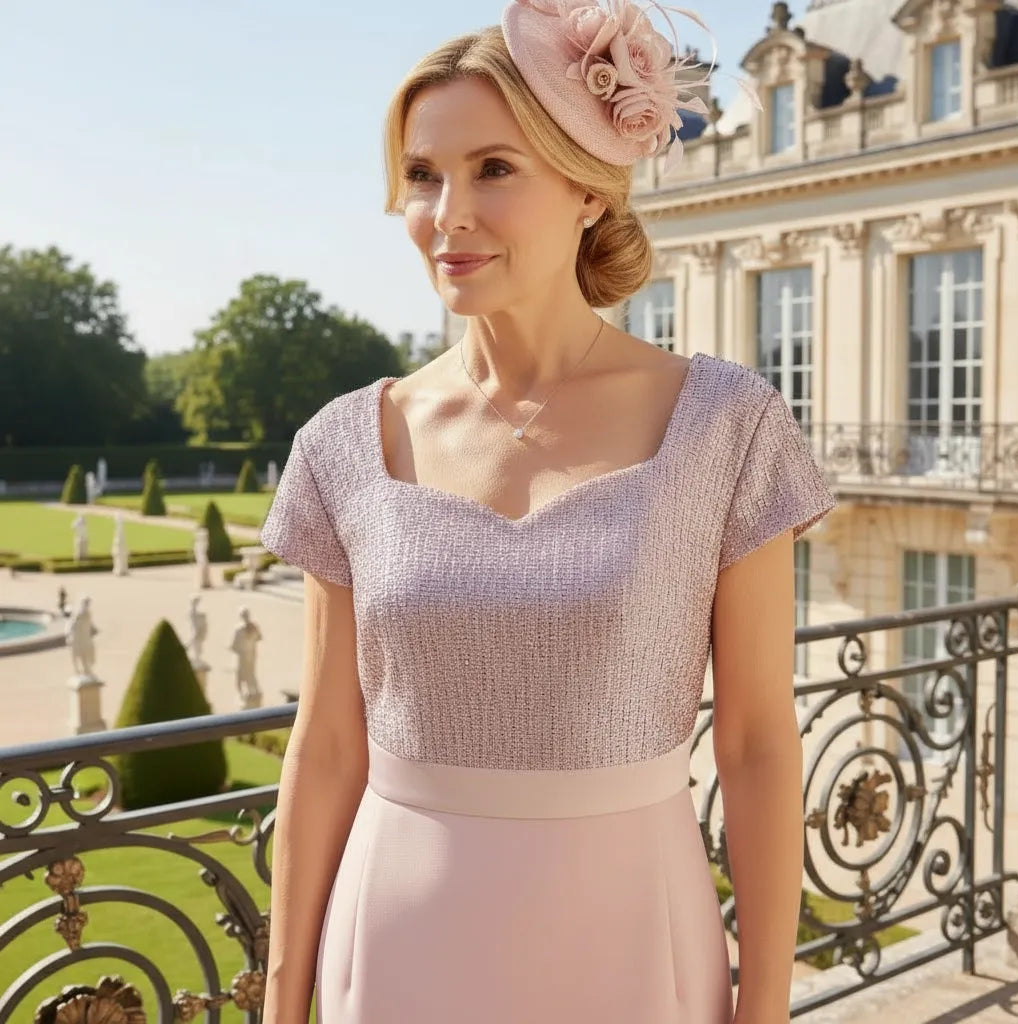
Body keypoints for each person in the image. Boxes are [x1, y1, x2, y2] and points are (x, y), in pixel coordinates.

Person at [259, 2, 836, 1021]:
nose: (448, 213)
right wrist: (280, 997)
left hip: (634, 937)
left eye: (493, 168)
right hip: (396, 942)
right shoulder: (345, 444)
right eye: (422, 176)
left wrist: (767, 1003)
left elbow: (753, 743)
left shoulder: (725, 426)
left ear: (586, 188)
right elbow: (328, 746)